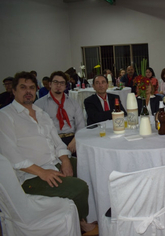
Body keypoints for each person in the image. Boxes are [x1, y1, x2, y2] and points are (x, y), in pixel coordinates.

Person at [0, 71, 98, 234]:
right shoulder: (5, 116)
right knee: (79, 187)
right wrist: (42, 172)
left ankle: (90, 211)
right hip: (31, 175)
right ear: (14, 90)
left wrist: (66, 161)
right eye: (23, 87)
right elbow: (12, 156)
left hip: (54, 162)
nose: (28, 91)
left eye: (32, 87)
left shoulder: (41, 113)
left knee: (89, 167)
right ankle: (82, 222)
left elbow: (57, 142)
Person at [35, 71, 85, 155]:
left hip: (72, 139)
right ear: (50, 84)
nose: (58, 85)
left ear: (65, 86)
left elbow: (81, 125)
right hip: (51, 140)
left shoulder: (73, 103)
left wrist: (74, 141)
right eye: (56, 82)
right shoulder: (39, 104)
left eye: (62, 83)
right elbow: (38, 128)